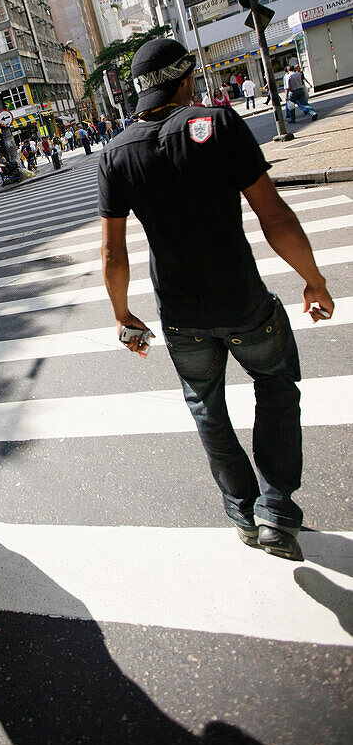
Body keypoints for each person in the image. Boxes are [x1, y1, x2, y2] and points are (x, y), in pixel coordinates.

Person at [98, 38, 334, 563]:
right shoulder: (220, 125)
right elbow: (274, 217)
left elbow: (114, 253)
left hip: (181, 315)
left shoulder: (115, 154)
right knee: (275, 385)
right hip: (243, 302)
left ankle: (243, 512)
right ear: (183, 79)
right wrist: (313, 280)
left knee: (207, 407)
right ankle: (275, 510)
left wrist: (122, 315)